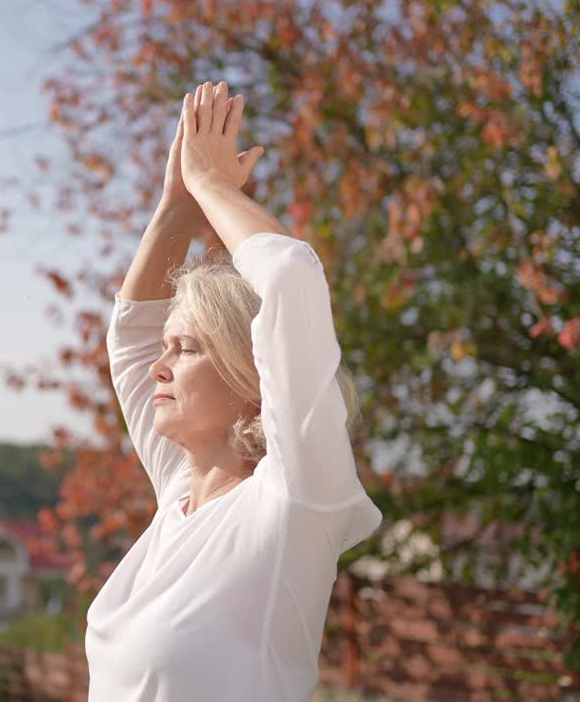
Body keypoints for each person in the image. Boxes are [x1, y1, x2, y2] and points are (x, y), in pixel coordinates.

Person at [84, 81, 384, 701]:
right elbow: (133, 335)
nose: (157, 368)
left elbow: (291, 279)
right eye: (169, 349)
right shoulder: (178, 495)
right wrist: (176, 210)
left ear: (252, 376)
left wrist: (211, 185)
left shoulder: (293, 501)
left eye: (187, 348)